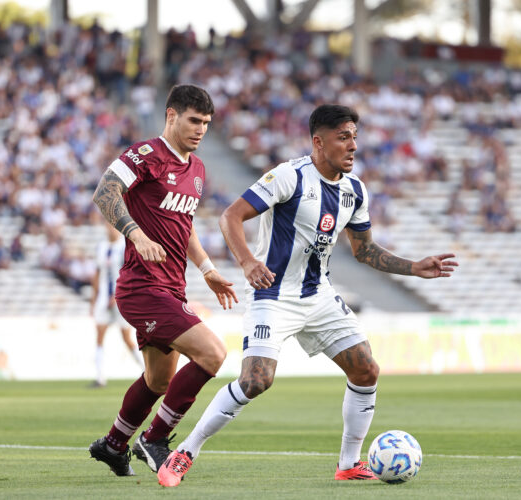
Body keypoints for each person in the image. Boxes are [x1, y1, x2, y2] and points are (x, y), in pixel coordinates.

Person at [156, 104, 458, 487]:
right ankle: (186, 452)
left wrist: (412, 267)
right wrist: (248, 262)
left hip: (318, 296)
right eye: (343, 137)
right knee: (255, 381)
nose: (352, 146)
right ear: (319, 142)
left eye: (354, 137)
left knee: (366, 369)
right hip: (273, 296)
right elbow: (230, 216)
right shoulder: (289, 176)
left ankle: (349, 463)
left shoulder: (354, 190)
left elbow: (364, 251)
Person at [88, 84, 238, 477]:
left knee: (158, 380)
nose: (201, 129)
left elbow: (183, 226)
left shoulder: (198, 170)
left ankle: (113, 444)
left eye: (206, 123)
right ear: (171, 116)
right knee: (213, 354)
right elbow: (104, 192)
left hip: (172, 287)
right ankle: (154, 438)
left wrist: (208, 271)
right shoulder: (145, 155)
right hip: (142, 287)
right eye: (193, 120)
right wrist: (136, 234)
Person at [89, 221, 145, 388]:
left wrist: (118, 295)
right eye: (107, 225)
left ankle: (146, 371)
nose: (110, 229)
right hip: (102, 300)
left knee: (127, 337)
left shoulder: (124, 247)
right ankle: (100, 378)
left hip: (121, 298)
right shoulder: (101, 247)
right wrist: (94, 298)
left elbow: (130, 272)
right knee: (99, 337)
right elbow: (97, 273)